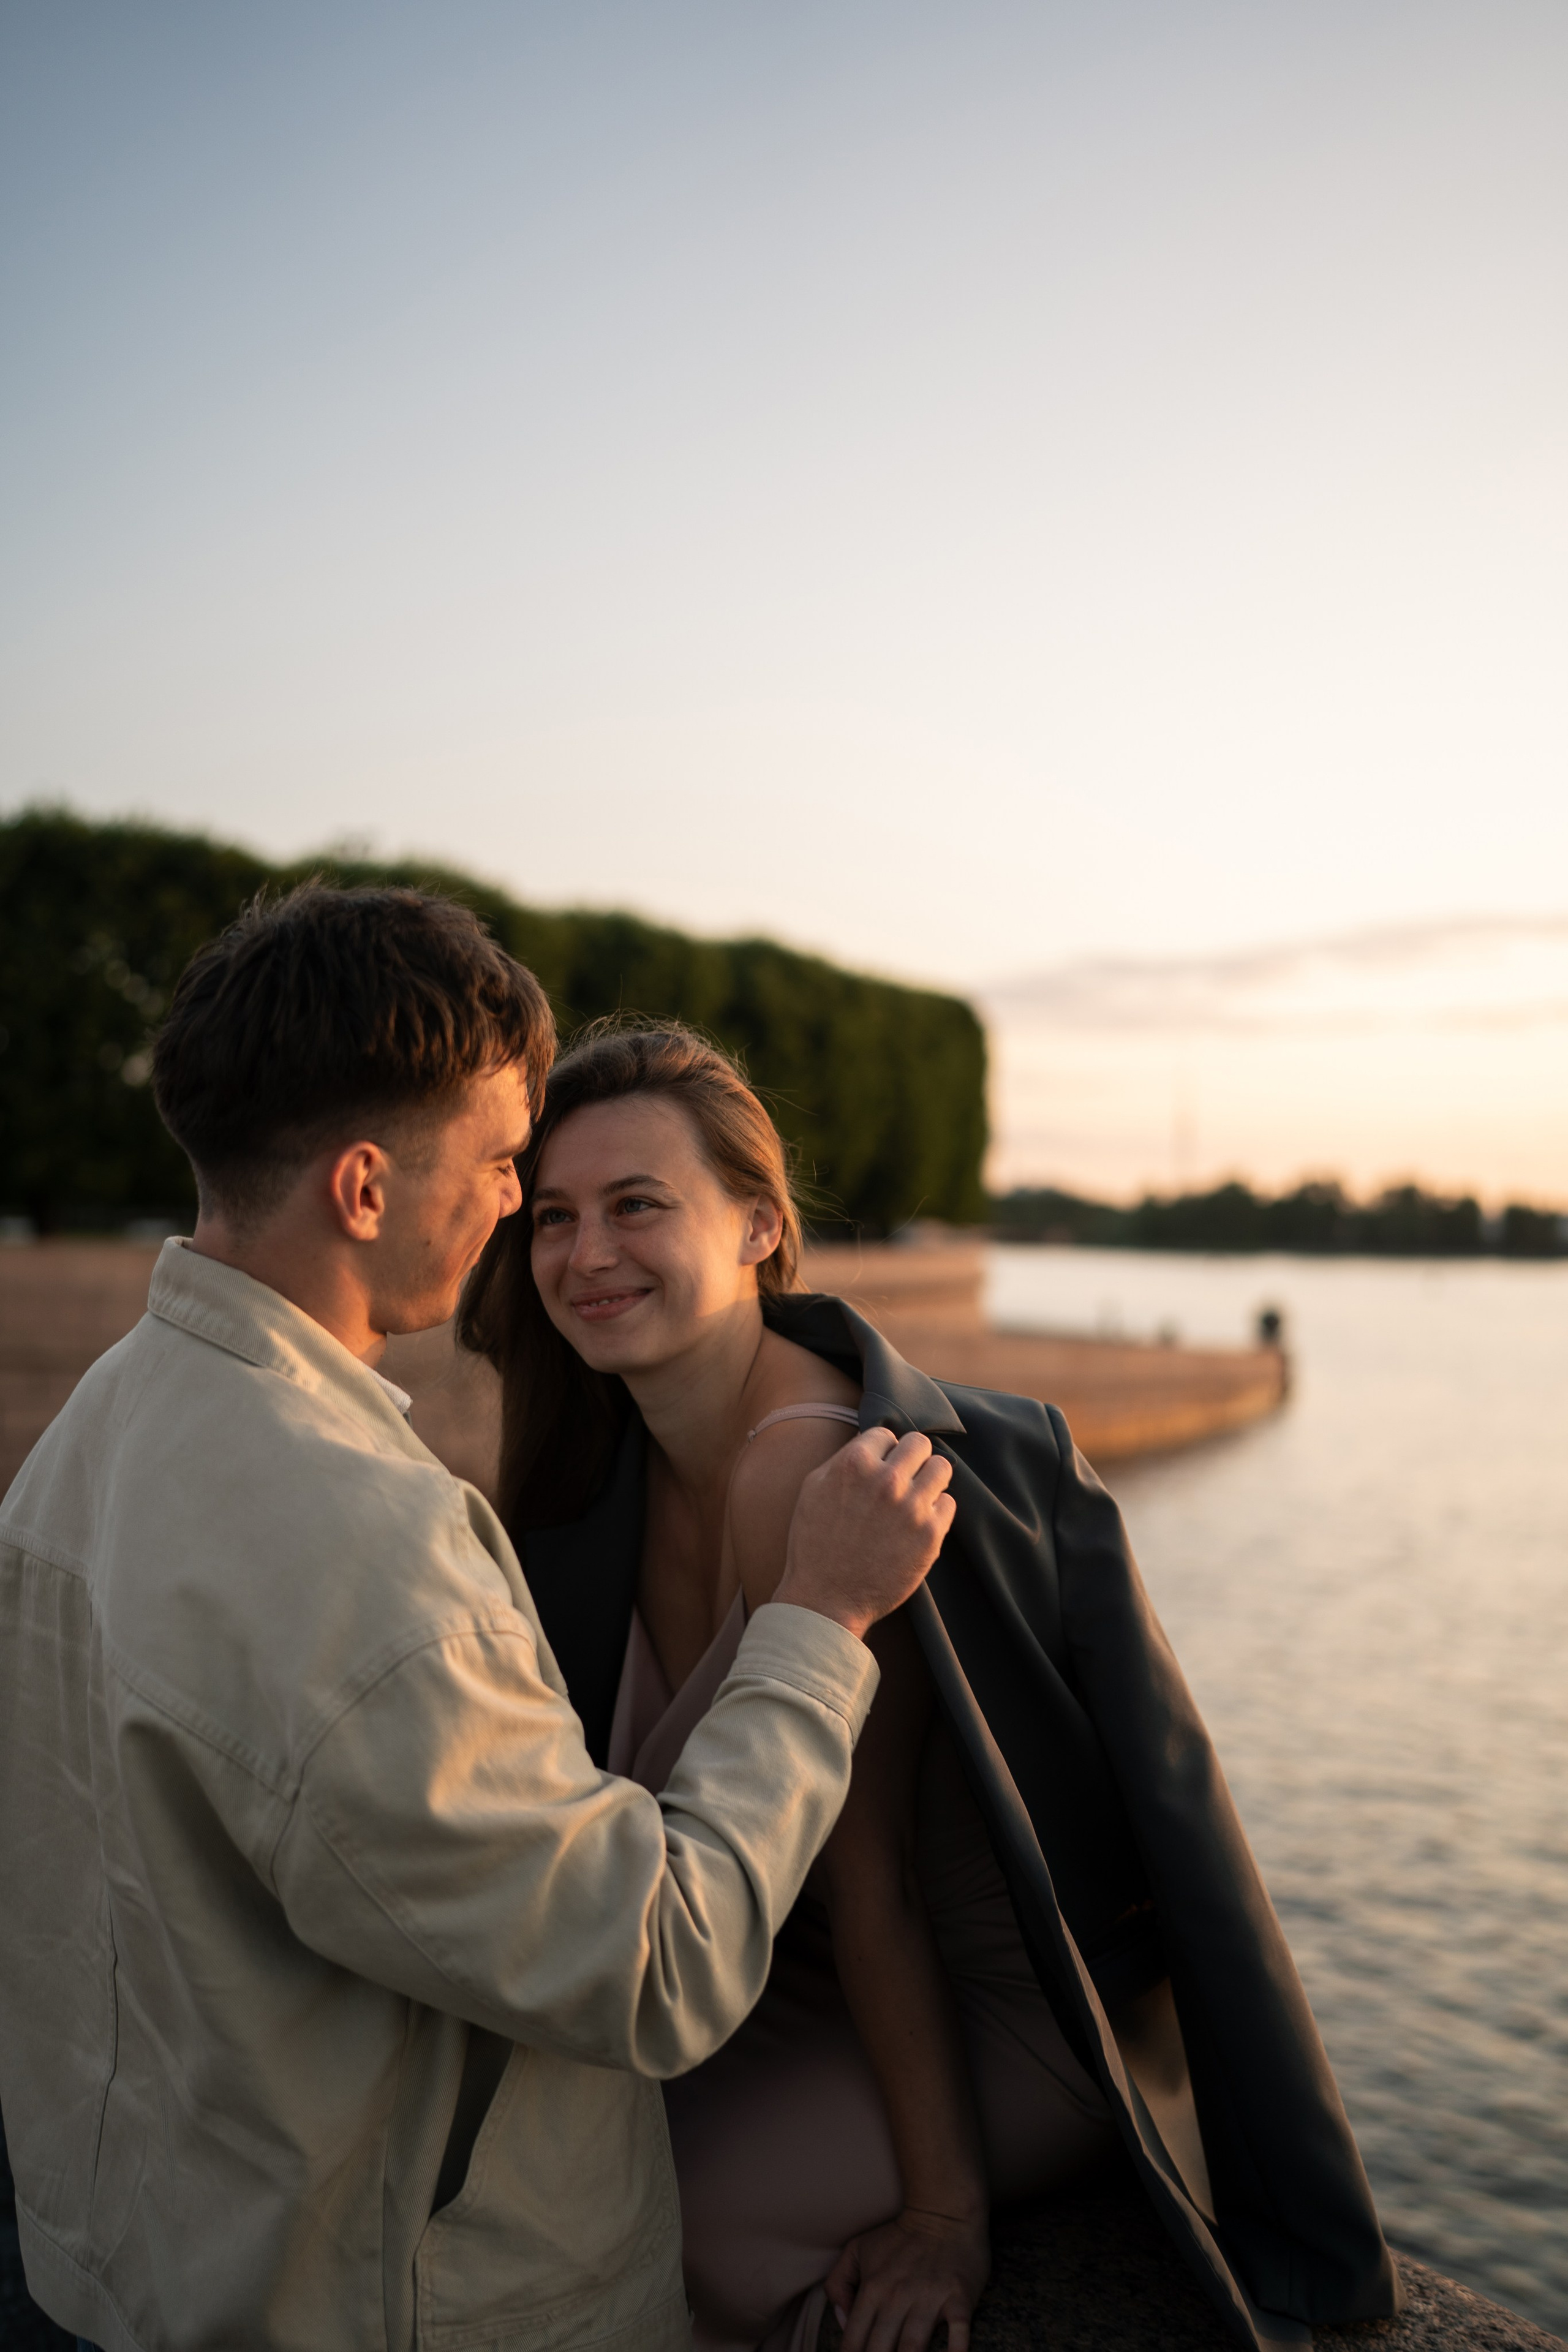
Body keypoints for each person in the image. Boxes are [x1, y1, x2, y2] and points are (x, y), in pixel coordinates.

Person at [0, 888, 955, 2352]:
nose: (519, 1210)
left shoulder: (97, 1428)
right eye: (508, 1167)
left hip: (129, 2247)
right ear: (367, 1190)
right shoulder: (362, 1552)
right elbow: (657, 1965)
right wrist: (820, 1619)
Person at [456, 1024, 1404, 2352]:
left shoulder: (815, 1477)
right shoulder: (603, 1467)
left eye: (636, 1206)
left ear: (756, 1230)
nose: (584, 1253)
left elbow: (878, 1883)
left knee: (684, 2220)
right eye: (551, 1216)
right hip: (778, 1965)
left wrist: (945, 2223)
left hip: (990, 2016)